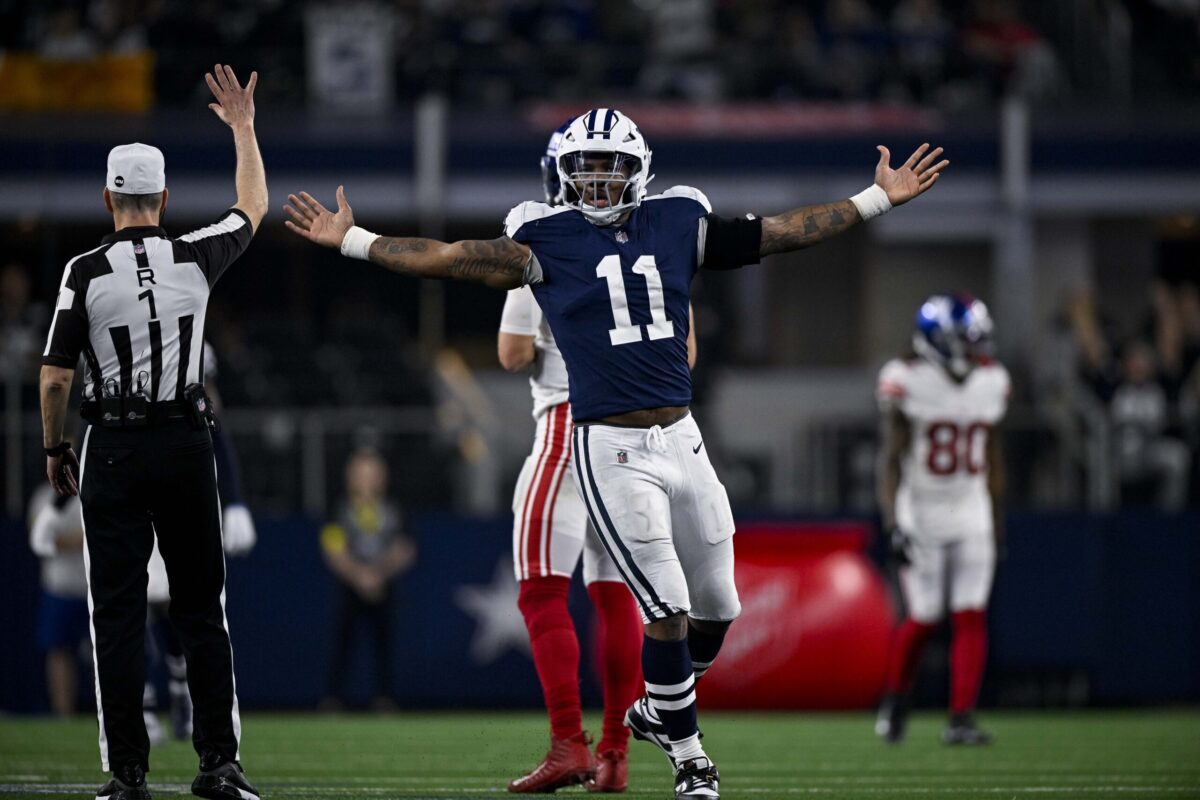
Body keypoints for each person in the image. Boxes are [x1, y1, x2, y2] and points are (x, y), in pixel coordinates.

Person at [284, 107, 947, 799]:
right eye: (585, 169)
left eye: (611, 168)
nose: (597, 182)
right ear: (565, 175)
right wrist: (354, 240)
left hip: (684, 439)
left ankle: (657, 711)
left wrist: (876, 200)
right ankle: (691, 763)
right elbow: (451, 259)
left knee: (719, 609)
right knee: (663, 609)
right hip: (608, 445)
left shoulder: (678, 221)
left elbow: (781, 232)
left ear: (639, 170)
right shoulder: (544, 237)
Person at [38, 64, 266, 800]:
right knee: (203, 609)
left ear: (108, 198)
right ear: (164, 199)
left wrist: (53, 446)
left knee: (119, 613)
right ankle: (219, 764)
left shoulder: (83, 271)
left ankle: (128, 773)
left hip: (115, 447)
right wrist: (243, 128)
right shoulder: (195, 256)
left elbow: (53, 377)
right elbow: (253, 205)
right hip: (184, 442)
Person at [497, 120, 691, 794]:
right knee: (618, 600)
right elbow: (685, 356)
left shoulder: (539, 232)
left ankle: (566, 745)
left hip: (567, 425)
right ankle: (614, 753)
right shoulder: (660, 239)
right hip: (638, 441)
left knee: (543, 590)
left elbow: (514, 353)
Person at [874, 293, 1009, 746]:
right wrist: (893, 523)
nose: (976, 350)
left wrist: (997, 514)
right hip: (922, 510)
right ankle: (895, 701)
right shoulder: (906, 379)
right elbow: (891, 459)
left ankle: (961, 718)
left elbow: (991, 451)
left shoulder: (991, 381)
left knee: (971, 613)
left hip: (972, 507)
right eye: (966, 341)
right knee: (925, 617)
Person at [143, 340, 257, 744]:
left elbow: (213, 419)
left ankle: (179, 686)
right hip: (133, 474)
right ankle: (142, 702)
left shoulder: (192, 329)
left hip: (183, 483)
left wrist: (236, 499)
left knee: (181, 599)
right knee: (133, 598)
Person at [319, 447, 416, 710]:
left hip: (384, 586)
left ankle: (385, 698)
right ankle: (333, 699)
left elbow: (406, 547)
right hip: (349, 586)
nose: (366, 479)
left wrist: (378, 573)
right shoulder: (340, 507)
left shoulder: (394, 507)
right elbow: (332, 547)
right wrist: (359, 575)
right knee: (343, 641)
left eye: (372, 473)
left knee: (384, 643)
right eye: (360, 473)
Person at [28, 483, 91, 717]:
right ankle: (62, 712)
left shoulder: (90, 491)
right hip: (58, 587)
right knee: (58, 651)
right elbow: (40, 538)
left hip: (91, 587)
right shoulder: (43, 496)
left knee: (103, 651)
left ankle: (107, 708)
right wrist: (80, 540)